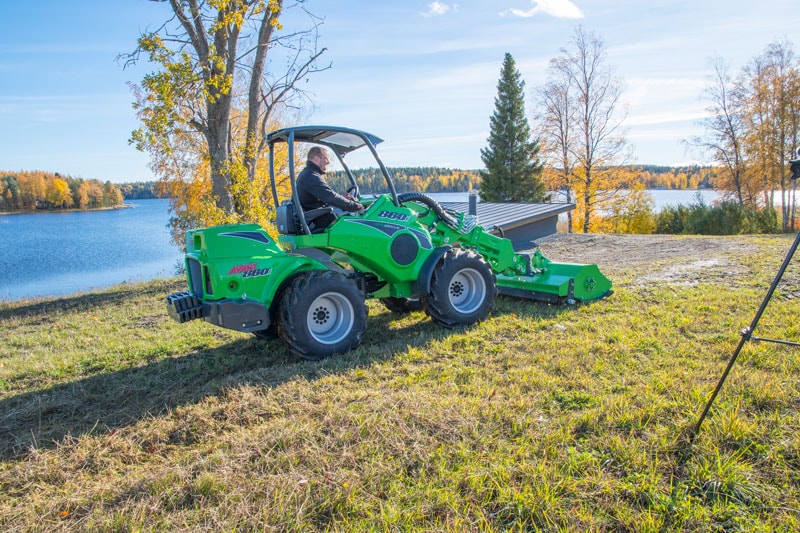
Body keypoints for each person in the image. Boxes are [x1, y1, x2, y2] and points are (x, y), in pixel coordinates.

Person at [296, 146, 363, 229]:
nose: (328, 162)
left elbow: (324, 198)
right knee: (358, 225)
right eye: (326, 159)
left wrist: (343, 198)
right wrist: (356, 206)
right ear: (316, 159)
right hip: (317, 221)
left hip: (315, 217)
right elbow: (331, 197)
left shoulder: (308, 174)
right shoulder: (310, 176)